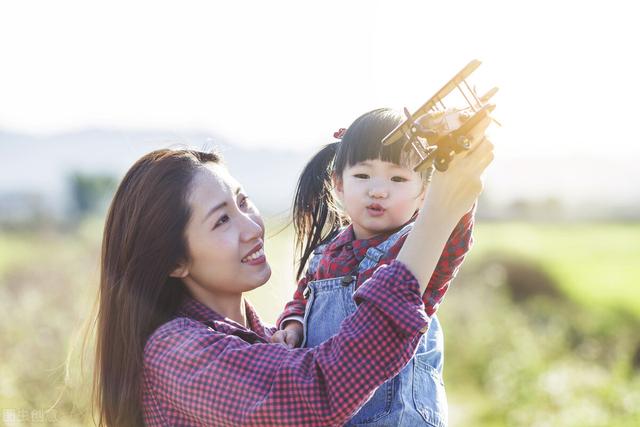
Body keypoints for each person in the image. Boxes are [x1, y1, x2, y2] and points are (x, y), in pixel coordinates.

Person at [92, 118, 492, 426]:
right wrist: (437, 215)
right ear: (174, 261)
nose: (252, 228)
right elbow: (319, 392)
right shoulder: (176, 354)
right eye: (221, 221)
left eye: (244, 202)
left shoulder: (272, 340)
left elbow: (415, 296)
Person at [271, 108, 484, 426]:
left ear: (425, 193)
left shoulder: (417, 247)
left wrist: (454, 172)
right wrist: (293, 326)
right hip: (335, 413)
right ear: (338, 184)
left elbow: (453, 224)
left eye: (398, 178)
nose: (378, 190)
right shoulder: (325, 254)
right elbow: (303, 297)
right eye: (363, 175)